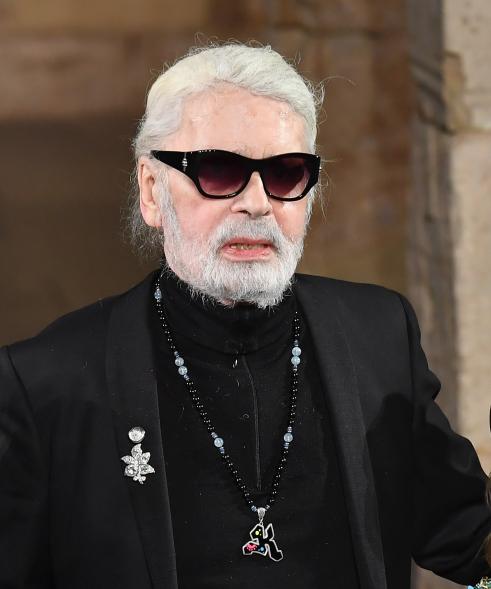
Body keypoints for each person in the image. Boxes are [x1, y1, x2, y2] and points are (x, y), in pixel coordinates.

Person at [0, 43, 490, 589]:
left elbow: (468, 543)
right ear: (151, 191)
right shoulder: (45, 384)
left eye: (285, 174)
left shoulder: (379, 336)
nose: (257, 203)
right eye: (218, 170)